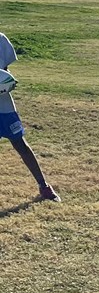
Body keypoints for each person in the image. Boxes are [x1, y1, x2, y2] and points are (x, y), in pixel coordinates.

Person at [0, 32, 60, 202]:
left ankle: (44, 186)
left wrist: (7, 83)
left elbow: (5, 74)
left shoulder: (1, 40)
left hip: (4, 107)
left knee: (20, 144)